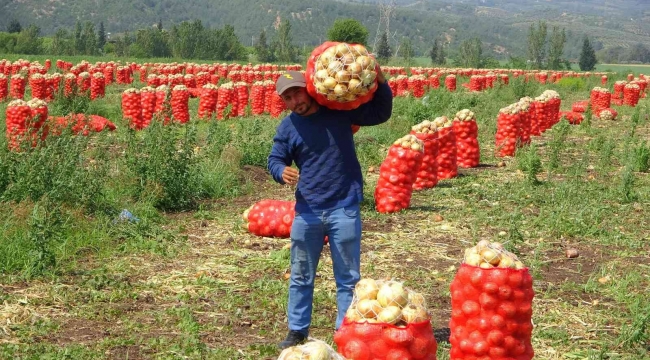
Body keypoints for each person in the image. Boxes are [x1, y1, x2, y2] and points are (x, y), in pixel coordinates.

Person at [268, 66, 393, 349]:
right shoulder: (288, 127)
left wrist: (382, 83)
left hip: (343, 206)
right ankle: (297, 330)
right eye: (287, 98)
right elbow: (275, 158)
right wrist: (281, 170)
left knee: (348, 278)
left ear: (309, 88)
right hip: (308, 210)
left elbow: (379, 114)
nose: (294, 101)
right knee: (300, 275)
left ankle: (344, 330)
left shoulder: (338, 111)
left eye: (297, 93)